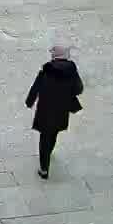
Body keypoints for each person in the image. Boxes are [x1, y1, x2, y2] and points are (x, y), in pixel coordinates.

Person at [24, 46, 83, 178]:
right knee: (54, 132)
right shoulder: (72, 70)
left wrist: (29, 102)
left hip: (46, 108)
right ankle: (49, 151)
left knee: (44, 136)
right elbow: (79, 88)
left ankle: (44, 168)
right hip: (62, 108)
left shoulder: (46, 70)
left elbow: (35, 88)